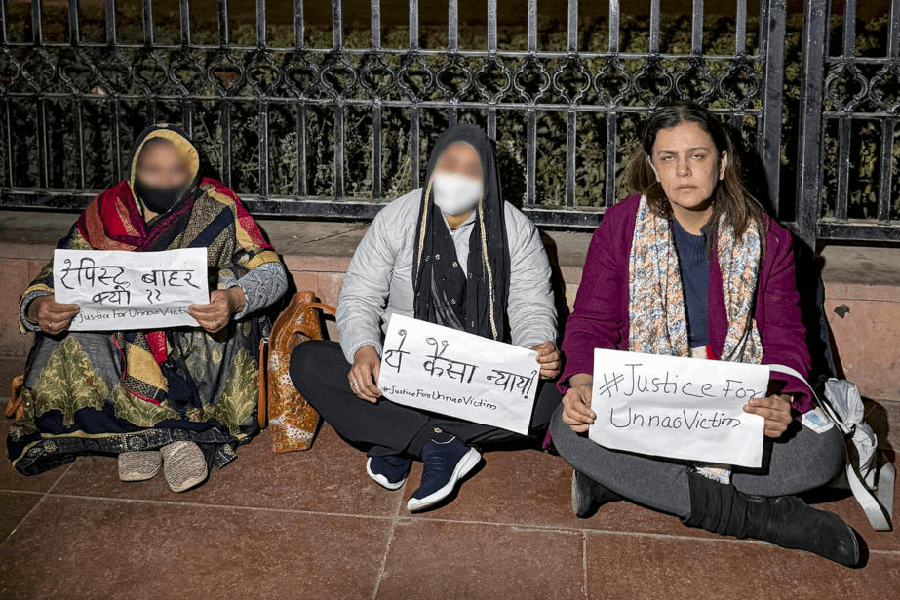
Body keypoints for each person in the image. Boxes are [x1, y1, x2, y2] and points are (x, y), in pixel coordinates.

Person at [550, 103, 862, 567]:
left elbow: (786, 339)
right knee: (567, 427)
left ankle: (624, 482)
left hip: (733, 392)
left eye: (697, 156)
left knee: (822, 452)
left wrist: (785, 402)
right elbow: (591, 321)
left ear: (722, 161)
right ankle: (762, 518)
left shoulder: (765, 238)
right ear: (652, 167)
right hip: (649, 392)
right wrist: (581, 382)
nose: (683, 171)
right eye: (668, 158)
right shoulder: (621, 226)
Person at [291, 124, 562, 511]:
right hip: (399, 374)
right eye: (449, 164)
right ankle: (437, 444)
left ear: (488, 176)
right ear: (433, 166)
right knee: (309, 362)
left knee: (552, 399)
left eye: (472, 169)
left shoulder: (514, 229)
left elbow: (530, 305)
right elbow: (360, 295)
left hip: (476, 379)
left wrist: (536, 348)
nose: (458, 176)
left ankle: (395, 435)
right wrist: (365, 350)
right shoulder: (398, 218)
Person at [8, 124, 288, 492]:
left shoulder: (217, 206)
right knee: (65, 330)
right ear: (135, 170)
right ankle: (136, 429)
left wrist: (235, 299)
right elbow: (61, 271)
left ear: (193, 170)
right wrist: (37, 306)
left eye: (177, 170)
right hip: (122, 338)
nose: (165, 179)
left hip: (193, 338)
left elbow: (271, 271)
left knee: (222, 316)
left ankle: (180, 435)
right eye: (152, 170)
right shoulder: (106, 209)